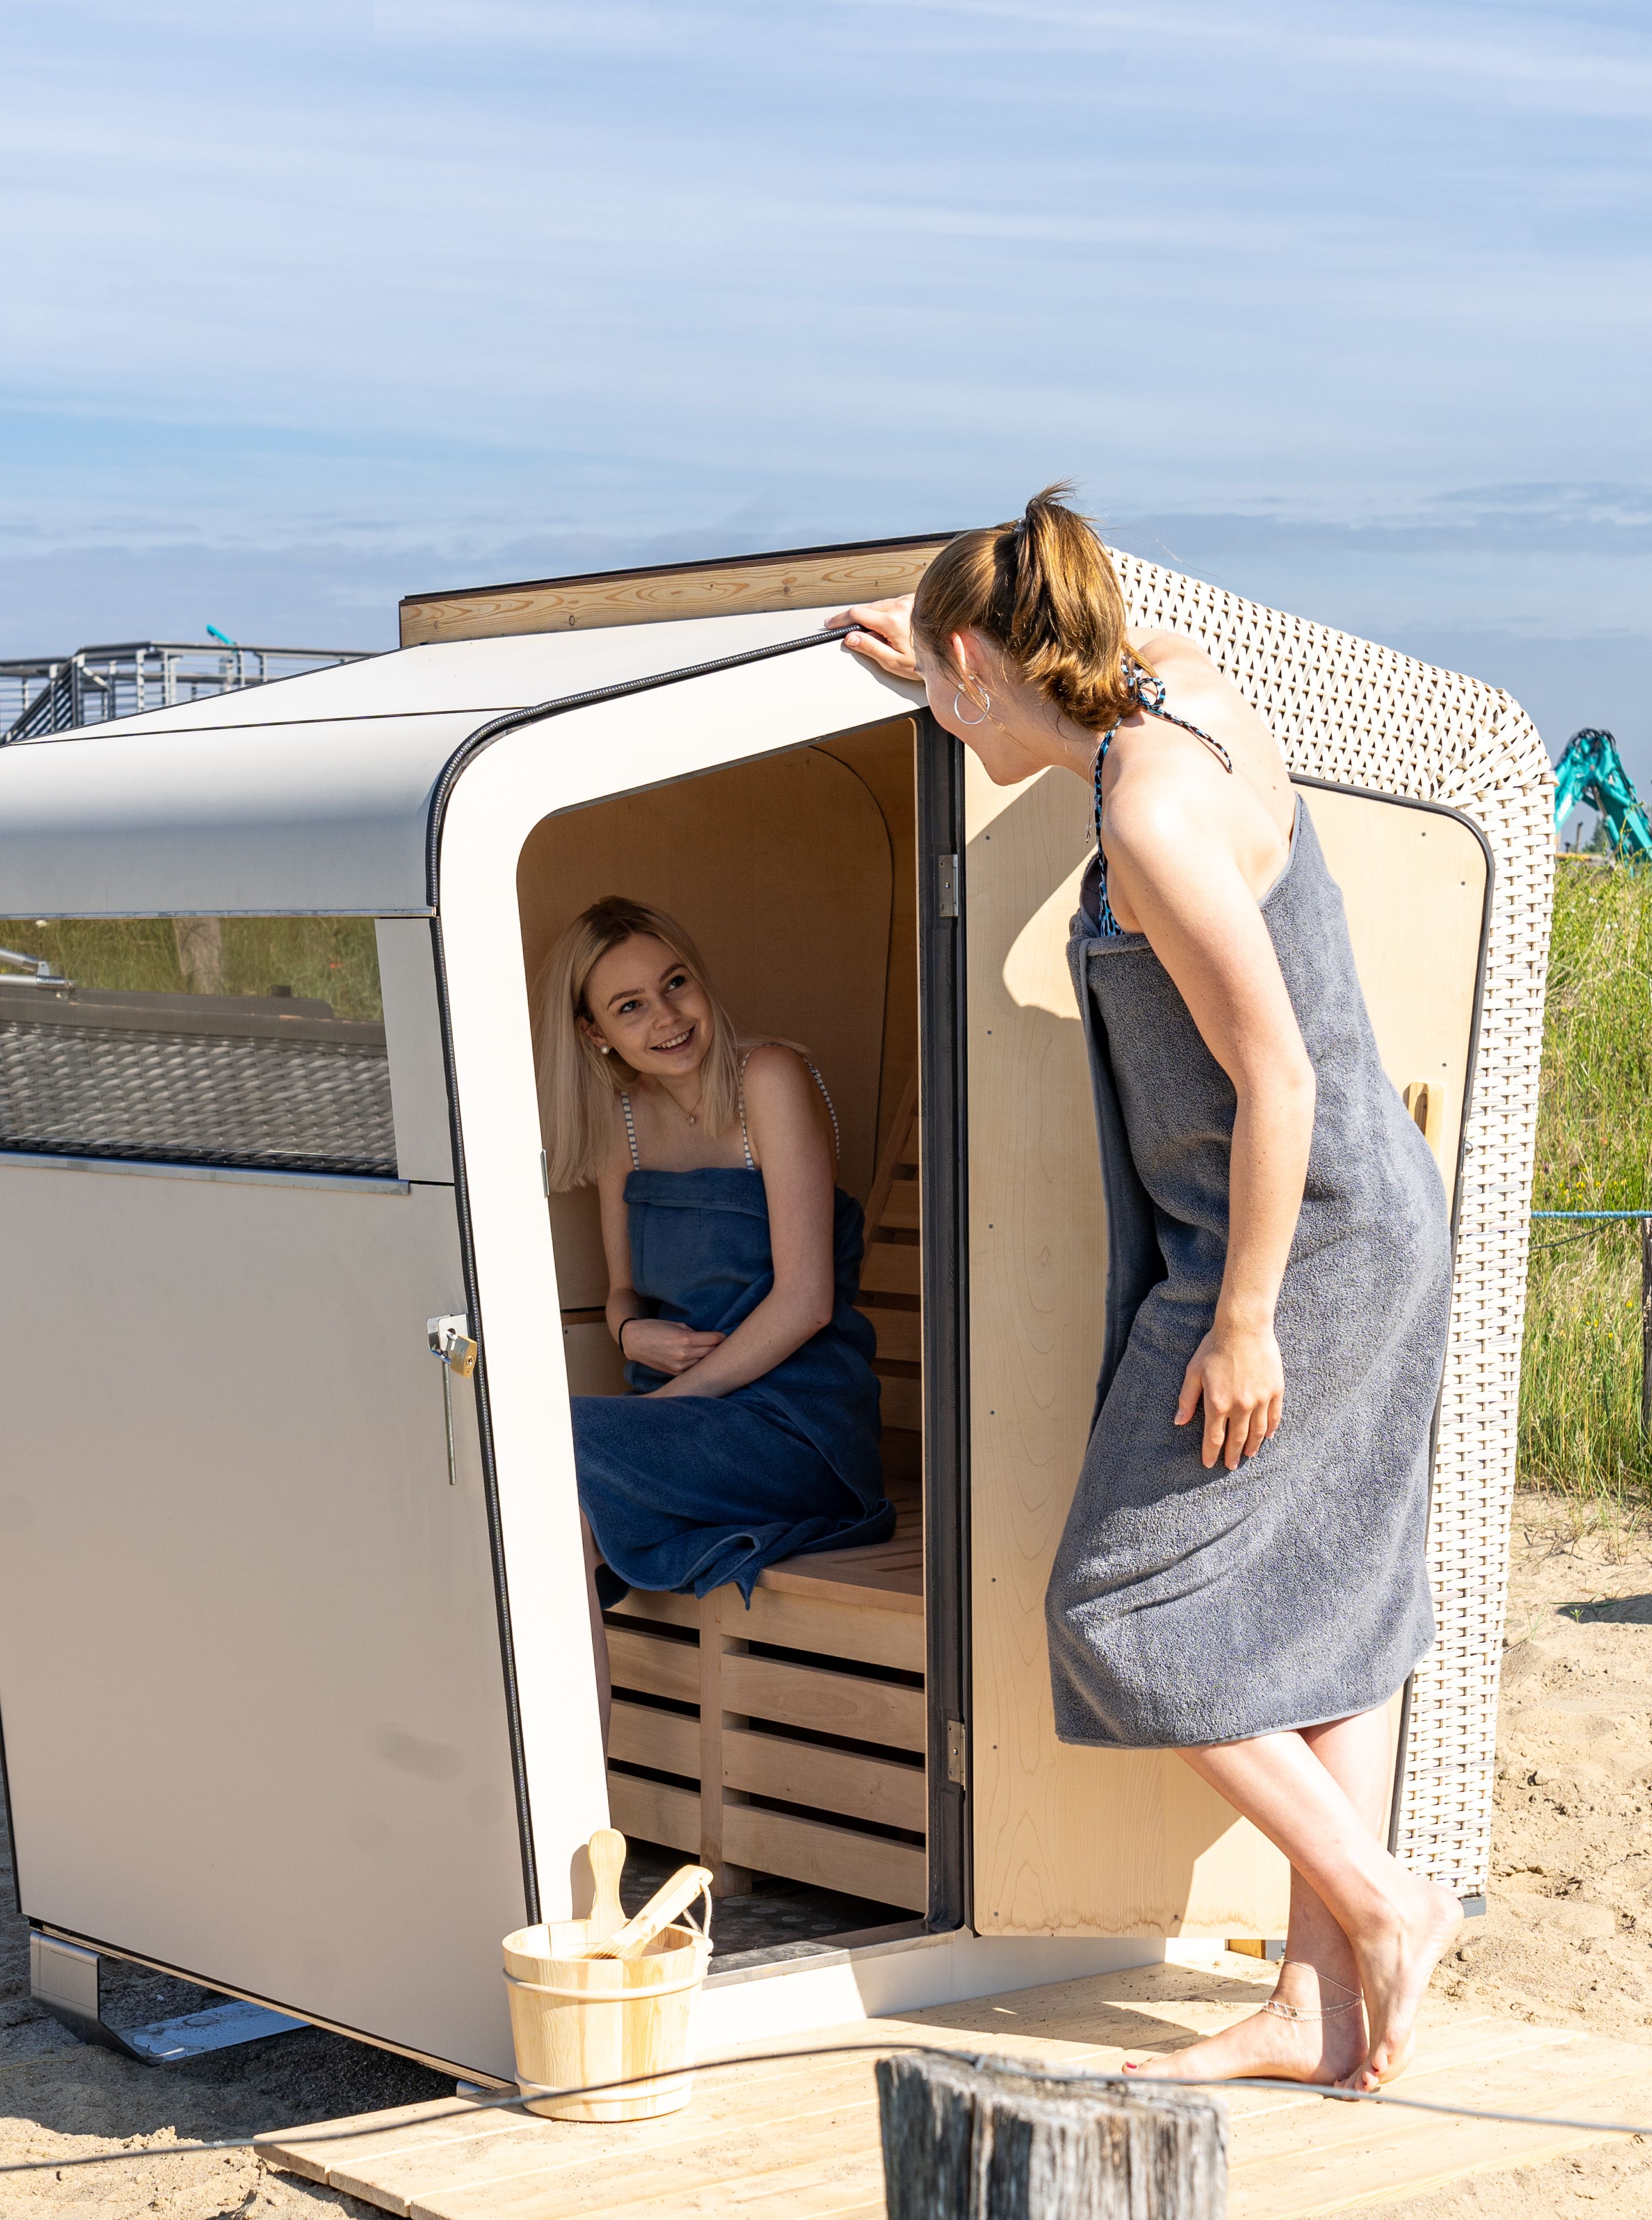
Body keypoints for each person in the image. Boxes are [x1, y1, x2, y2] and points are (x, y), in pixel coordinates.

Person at [833, 487, 1459, 2093]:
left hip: (1296, 1243)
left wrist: (1244, 1316)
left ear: (981, 653)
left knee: (1114, 1614)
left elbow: (1279, 1082)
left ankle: (1386, 1900)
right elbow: (1059, 689)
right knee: (1328, 1610)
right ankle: (1317, 2004)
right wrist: (937, 685)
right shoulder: (1174, 682)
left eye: (942, 678)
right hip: (1359, 1226)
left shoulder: (1150, 820)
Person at [537, 896, 892, 1609]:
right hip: (674, 1426)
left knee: (535, 1441)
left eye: (675, 983)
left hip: (796, 1428)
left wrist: (662, 1407)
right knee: (551, 1524)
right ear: (595, 1032)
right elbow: (622, 1295)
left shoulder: (769, 1078)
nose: (666, 1018)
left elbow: (806, 1303)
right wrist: (630, 1332)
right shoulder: (622, 1118)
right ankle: (559, 1726)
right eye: (629, 1007)